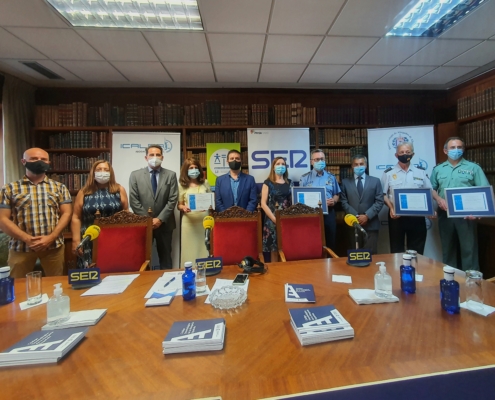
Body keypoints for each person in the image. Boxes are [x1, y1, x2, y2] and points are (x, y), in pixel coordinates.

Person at [0, 148, 72, 278]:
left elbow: (66, 214)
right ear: (23, 161)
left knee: (55, 285)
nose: (39, 161)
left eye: (43, 159)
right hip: (21, 247)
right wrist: (27, 239)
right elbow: (2, 219)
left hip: (53, 247)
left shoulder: (60, 187)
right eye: (34, 159)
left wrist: (50, 238)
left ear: (49, 163)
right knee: (17, 288)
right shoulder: (9, 189)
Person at [430, 137, 489, 271]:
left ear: (463, 149)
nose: (456, 150)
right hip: (445, 215)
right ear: (445, 151)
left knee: (469, 250)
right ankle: (451, 281)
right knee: (448, 249)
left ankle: (472, 283)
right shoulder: (438, 169)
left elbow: (483, 191)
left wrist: (479, 213)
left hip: (466, 216)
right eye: (452, 148)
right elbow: (432, 189)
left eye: (459, 147)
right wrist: (439, 199)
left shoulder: (474, 168)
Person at [71, 160, 129, 268]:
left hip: (114, 238)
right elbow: (76, 217)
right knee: (90, 273)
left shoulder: (119, 189)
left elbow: (126, 214)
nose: (102, 172)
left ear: (111, 173)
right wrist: (76, 240)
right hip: (89, 239)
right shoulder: (84, 192)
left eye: (106, 170)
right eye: (98, 170)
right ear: (93, 172)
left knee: (114, 269)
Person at [129, 144, 178, 270]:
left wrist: (160, 219)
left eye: (157, 155)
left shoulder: (171, 175)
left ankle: (168, 283)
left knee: (166, 258)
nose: (154, 157)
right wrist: (148, 220)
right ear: (146, 157)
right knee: (143, 258)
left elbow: (173, 199)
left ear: (162, 157)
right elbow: (134, 201)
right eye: (152, 155)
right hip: (144, 224)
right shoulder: (135, 175)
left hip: (165, 224)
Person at [381, 143, 433, 255]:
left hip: (417, 217)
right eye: (402, 152)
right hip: (396, 217)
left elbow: (429, 191)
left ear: (413, 154)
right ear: (396, 155)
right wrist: (391, 208)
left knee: (417, 250)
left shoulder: (421, 172)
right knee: (396, 249)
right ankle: (397, 272)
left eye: (408, 152)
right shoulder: (388, 173)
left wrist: (430, 209)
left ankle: (416, 271)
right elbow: (383, 194)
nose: (405, 154)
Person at [340, 155, 384, 254]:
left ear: (366, 165)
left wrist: (367, 216)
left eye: (361, 164)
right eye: (356, 164)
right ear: (352, 166)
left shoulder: (375, 181)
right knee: (355, 256)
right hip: (353, 225)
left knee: (371, 256)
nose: (358, 166)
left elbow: (379, 201)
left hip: (371, 224)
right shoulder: (345, 182)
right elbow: (343, 202)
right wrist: (356, 217)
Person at [299, 149, 340, 249]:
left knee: (330, 243)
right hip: (311, 215)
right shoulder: (304, 178)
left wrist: (334, 201)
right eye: (317, 159)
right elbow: (300, 199)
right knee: (313, 244)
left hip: (329, 213)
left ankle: (330, 264)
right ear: (311, 161)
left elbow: (337, 194)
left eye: (322, 159)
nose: (320, 162)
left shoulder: (331, 177)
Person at [177, 157, 212, 264]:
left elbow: (210, 200)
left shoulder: (205, 183)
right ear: (186, 170)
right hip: (189, 223)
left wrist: (210, 206)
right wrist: (183, 208)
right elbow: (179, 205)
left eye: (196, 167)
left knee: (204, 248)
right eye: (191, 168)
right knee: (189, 250)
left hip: (204, 221)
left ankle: (206, 272)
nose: (194, 169)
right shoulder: (181, 185)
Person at [261, 157, 293, 262]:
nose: (281, 166)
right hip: (271, 221)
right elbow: (263, 204)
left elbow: (292, 203)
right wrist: (275, 219)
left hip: (286, 220)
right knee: (273, 251)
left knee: (286, 249)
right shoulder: (267, 183)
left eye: (283, 164)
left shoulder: (289, 183)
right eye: (278, 164)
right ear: (273, 167)